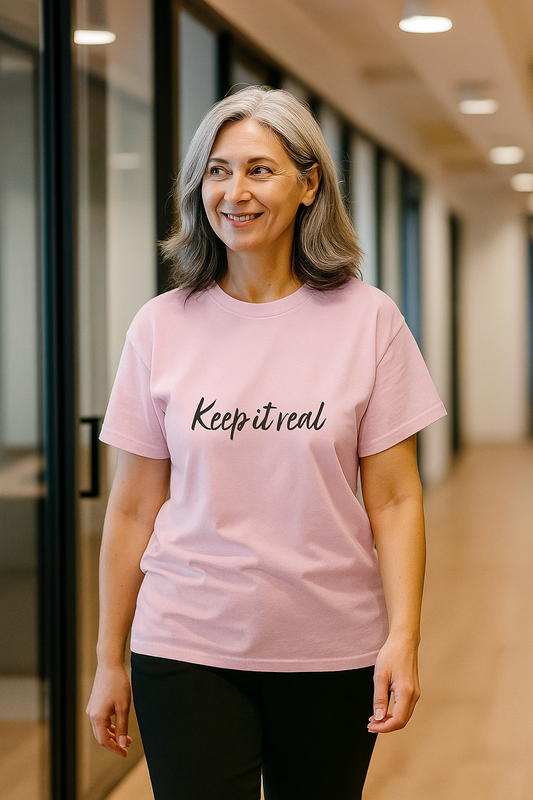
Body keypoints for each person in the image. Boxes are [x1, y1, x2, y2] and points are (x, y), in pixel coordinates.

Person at [86, 86, 446, 800]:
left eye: (259, 169)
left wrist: (400, 638)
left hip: (330, 646)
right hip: (185, 643)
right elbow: (131, 508)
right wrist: (108, 658)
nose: (234, 192)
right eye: (217, 171)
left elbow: (397, 499)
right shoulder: (160, 326)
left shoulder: (368, 321)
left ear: (309, 183)